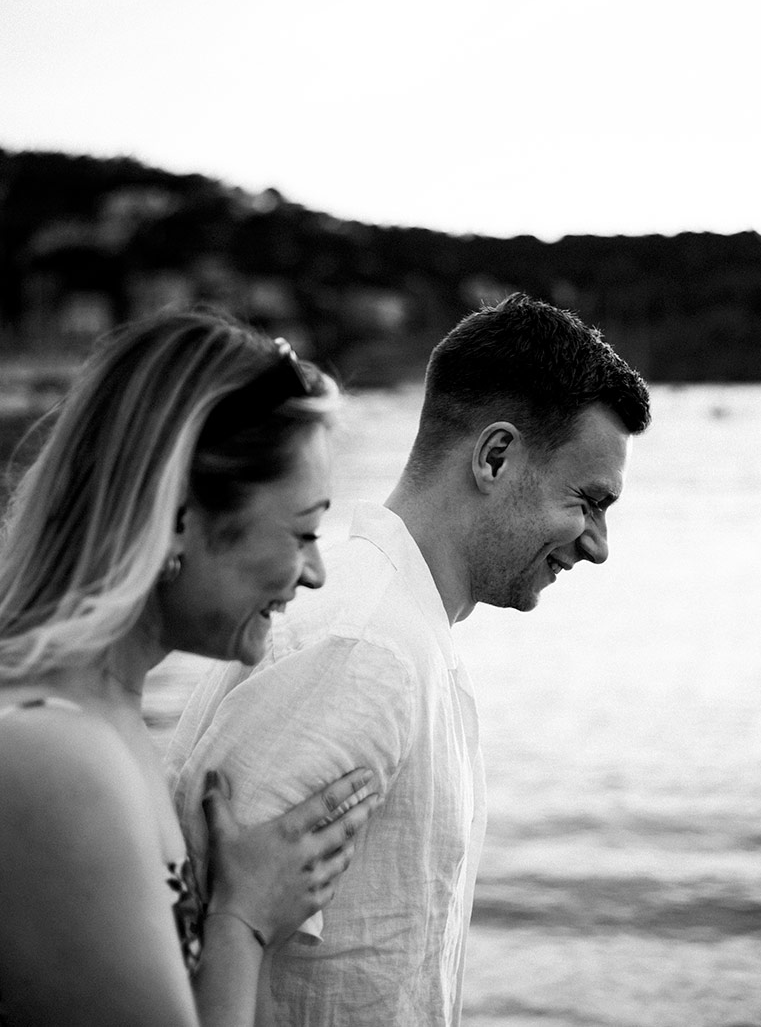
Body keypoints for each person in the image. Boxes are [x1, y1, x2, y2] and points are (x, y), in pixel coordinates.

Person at [168, 292, 652, 1026]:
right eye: (587, 500)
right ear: (495, 456)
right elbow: (197, 942)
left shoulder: (396, 628)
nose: (597, 543)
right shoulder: (360, 647)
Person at [0, 309, 380, 1027]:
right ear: (177, 514)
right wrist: (245, 918)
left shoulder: (103, 718)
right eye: (301, 531)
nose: (317, 572)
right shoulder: (53, 756)